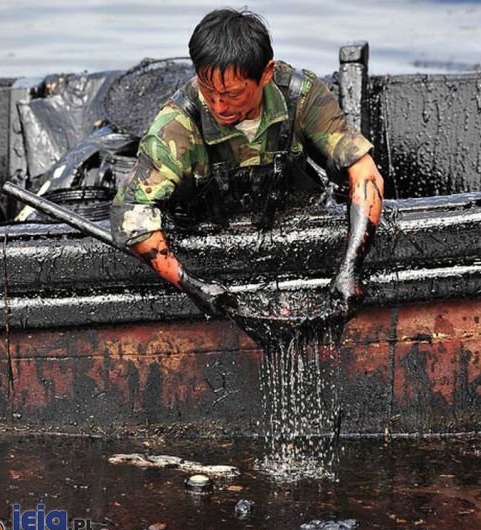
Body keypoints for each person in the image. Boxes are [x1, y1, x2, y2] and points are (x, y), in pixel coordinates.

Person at [110, 8, 384, 317]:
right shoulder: (176, 125)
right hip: (210, 246)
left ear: (266, 74)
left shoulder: (301, 97)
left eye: (232, 94)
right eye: (208, 90)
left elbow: (364, 173)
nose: (218, 105)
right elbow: (131, 213)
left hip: (296, 230)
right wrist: (190, 284)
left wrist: (350, 269)